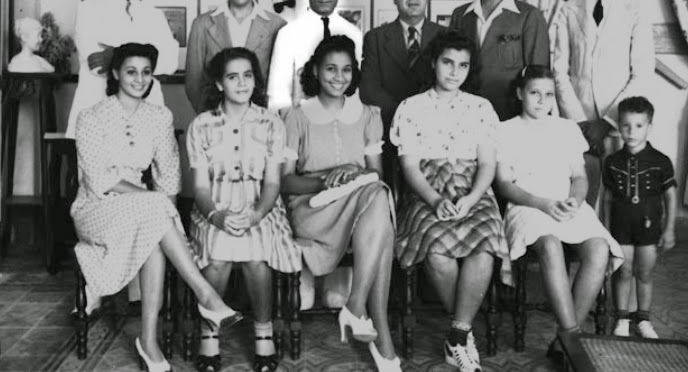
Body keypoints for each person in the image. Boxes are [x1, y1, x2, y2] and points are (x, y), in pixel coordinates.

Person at [71, 43, 240, 372]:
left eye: (146, 72)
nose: (139, 79)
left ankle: (149, 343)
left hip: (144, 210)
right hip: (96, 208)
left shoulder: (160, 116)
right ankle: (206, 296)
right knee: (153, 209)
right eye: (131, 72)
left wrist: (167, 220)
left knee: (155, 231)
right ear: (116, 73)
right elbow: (97, 179)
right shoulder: (90, 116)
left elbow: (169, 175)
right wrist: (156, 203)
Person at [391, 30, 511, 372]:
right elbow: (409, 167)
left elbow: (487, 164)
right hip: (426, 188)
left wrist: (472, 198)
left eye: (463, 65)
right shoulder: (411, 108)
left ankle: (456, 336)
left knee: (484, 247)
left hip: (474, 187)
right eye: (447, 62)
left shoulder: (481, 108)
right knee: (436, 250)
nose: (454, 71)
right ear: (433, 63)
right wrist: (433, 199)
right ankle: (464, 332)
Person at [281, 35, 400, 371]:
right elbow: (286, 182)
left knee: (378, 196)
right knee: (380, 213)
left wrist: (354, 172)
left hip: (360, 204)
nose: (339, 77)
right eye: (331, 69)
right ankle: (367, 318)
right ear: (315, 71)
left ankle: (360, 309)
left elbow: (375, 175)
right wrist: (326, 180)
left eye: (346, 69)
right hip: (312, 207)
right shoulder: (295, 116)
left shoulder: (368, 115)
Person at [494, 65, 623, 361]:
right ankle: (573, 339)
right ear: (520, 93)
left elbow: (579, 177)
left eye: (549, 94)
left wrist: (575, 201)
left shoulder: (566, 129)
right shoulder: (505, 130)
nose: (542, 101)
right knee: (550, 244)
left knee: (599, 248)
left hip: (566, 202)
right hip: (527, 205)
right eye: (535, 93)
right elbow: (504, 184)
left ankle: (563, 341)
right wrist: (542, 204)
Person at [188, 48, 301, 372]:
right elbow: (200, 188)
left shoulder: (271, 123)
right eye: (232, 77)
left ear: (256, 81)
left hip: (261, 204)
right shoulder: (201, 125)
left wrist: (257, 214)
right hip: (214, 204)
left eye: (248, 76)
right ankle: (209, 334)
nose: (241, 83)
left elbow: (273, 183)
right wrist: (215, 215)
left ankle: (263, 333)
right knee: (217, 258)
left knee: (255, 257)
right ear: (219, 84)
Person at [552, 0, 654, 207]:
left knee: (619, 195)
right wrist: (579, 122)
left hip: (620, 121)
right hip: (579, 121)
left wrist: (608, 122)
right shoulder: (569, 9)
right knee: (579, 190)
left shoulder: (636, 11)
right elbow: (559, 69)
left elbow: (642, 72)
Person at [66, 0, 178, 138]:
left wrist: (115, 54)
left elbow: (170, 63)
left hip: (148, 119)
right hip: (98, 119)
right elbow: (97, 65)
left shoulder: (155, 15)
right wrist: (149, 57)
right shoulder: (88, 9)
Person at [360, 0, 444, 184]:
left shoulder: (446, 36)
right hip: (390, 131)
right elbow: (369, 89)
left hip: (436, 133)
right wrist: (404, 119)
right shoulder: (376, 38)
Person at [604, 97, 677, 339]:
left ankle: (644, 319)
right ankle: (622, 318)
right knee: (623, 271)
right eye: (626, 125)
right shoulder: (612, 162)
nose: (631, 131)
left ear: (649, 127)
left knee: (644, 273)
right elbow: (606, 199)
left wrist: (669, 229)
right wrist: (605, 231)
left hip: (649, 228)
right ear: (619, 126)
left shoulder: (661, 161)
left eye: (638, 125)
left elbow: (670, 197)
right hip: (620, 227)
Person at [450, 0, 549, 120]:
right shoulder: (460, 15)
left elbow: (539, 76)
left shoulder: (528, 16)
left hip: (510, 114)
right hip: (464, 112)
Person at [185, 0, 285, 113]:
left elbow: (280, 82)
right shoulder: (202, 24)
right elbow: (194, 82)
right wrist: (211, 115)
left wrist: (265, 116)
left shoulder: (277, 25)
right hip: (216, 118)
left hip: (261, 117)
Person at [267, 0, 362, 112]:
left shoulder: (354, 34)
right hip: (300, 120)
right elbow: (277, 96)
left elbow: (355, 91)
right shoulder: (287, 34)